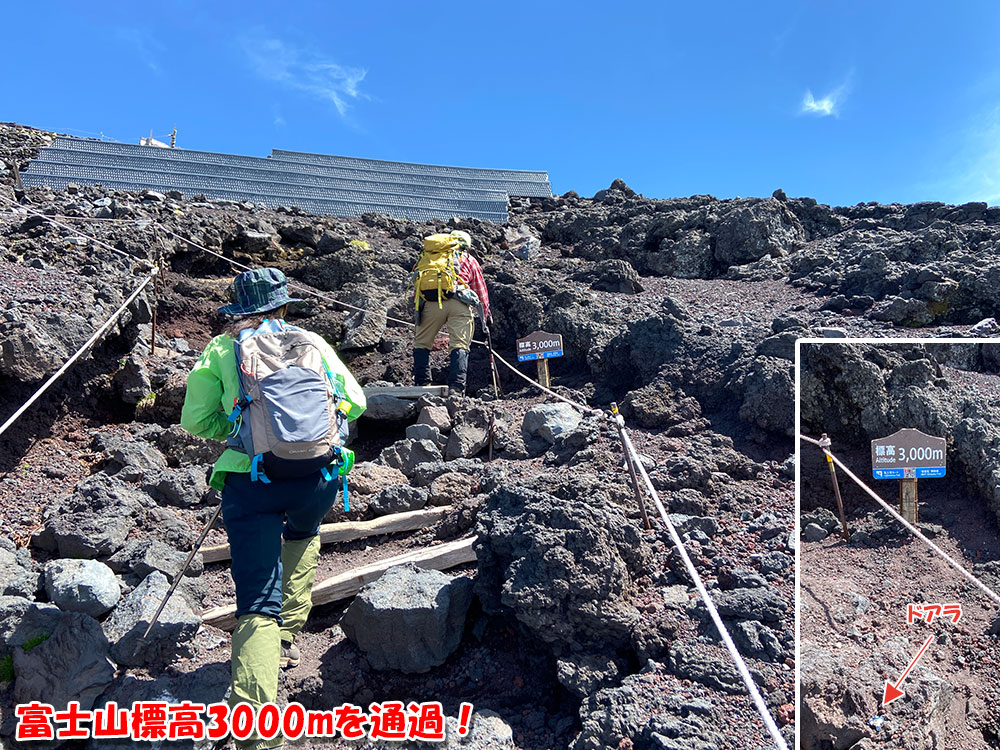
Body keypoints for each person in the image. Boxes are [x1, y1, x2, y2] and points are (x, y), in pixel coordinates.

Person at [180, 268, 366, 750]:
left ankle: (258, 735)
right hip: (318, 477)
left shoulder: (222, 351)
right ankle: (288, 636)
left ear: (238, 312)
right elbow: (356, 402)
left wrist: (243, 433)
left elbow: (194, 418)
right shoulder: (313, 342)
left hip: (252, 481)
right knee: (304, 537)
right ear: (283, 307)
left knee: (256, 601)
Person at [411, 230, 491, 395]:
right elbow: (480, 291)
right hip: (459, 304)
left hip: (431, 303)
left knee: (421, 343)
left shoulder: (429, 256)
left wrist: (418, 309)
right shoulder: (469, 259)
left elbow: (417, 282)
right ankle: (456, 388)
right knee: (460, 345)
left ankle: (422, 385)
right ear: (466, 245)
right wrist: (486, 315)